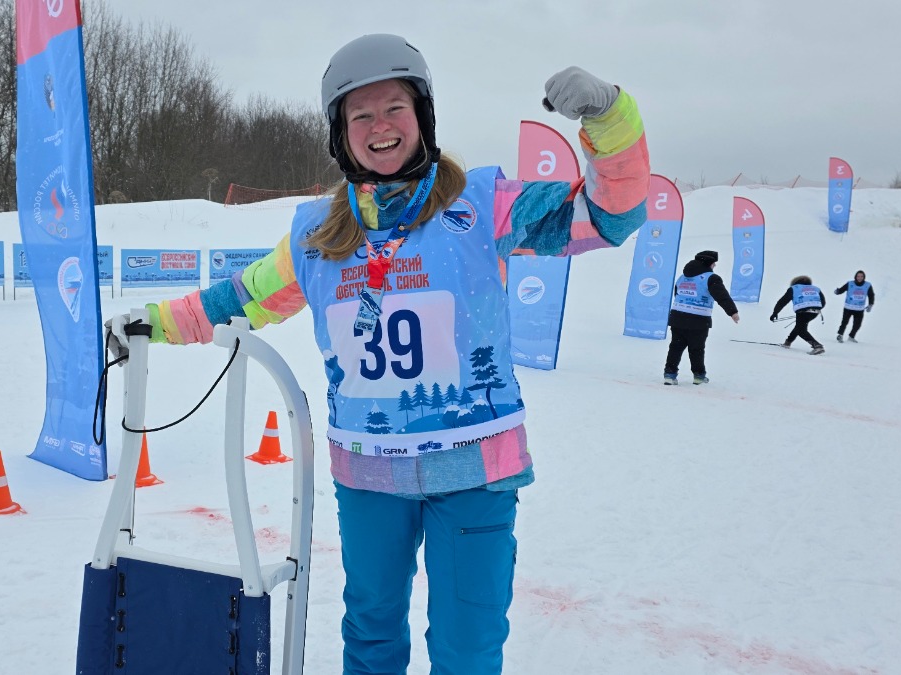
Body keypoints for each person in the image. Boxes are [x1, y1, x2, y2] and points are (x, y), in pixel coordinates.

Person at [107, 33, 649, 674]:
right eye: (359, 114)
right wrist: (155, 324)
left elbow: (611, 215)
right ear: (341, 135)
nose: (379, 126)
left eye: (394, 107)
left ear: (421, 117)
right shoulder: (318, 236)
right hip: (369, 476)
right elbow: (241, 298)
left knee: (467, 647)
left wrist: (610, 119)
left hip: (473, 472)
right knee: (371, 639)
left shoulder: (483, 204)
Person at [662, 250, 740, 385]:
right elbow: (721, 296)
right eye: (714, 263)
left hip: (678, 317)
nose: (714, 266)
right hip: (698, 319)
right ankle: (699, 376)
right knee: (696, 348)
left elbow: (677, 294)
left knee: (676, 346)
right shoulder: (711, 278)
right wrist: (732, 311)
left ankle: (669, 374)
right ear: (708, 263)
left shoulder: (682, 277)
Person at [771, 275, 826, 355]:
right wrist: (814, 308)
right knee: (799, 327)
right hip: (815, 312)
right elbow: (823, 302)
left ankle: (817, 346)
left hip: (802, 311)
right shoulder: (816, 289)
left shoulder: (794, 288)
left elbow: (782, 301)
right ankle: (788, 342)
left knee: (801, 330)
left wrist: (775, 312)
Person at [834, 270, 875, 343]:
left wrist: (870, 304)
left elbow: (871, 295)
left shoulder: (867, 285)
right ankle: (840, 335)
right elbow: (841, 290)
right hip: (848, 307)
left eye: (861, 276)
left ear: (864, 277)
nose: (860, 278)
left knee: (857, 325)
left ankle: (851, 336)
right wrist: (837, 291)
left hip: (859, 309)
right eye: (858, 276)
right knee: (844, 322)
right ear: (855, 277)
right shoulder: (850, 284)